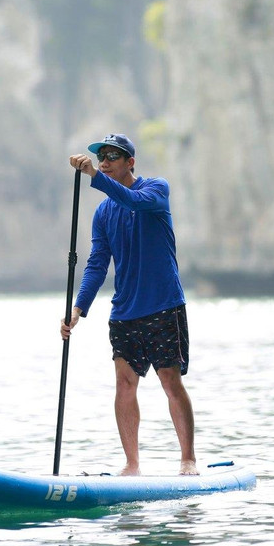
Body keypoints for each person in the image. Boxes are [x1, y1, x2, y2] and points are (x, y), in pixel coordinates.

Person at [62, 133, 198, 476]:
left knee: (170, 381)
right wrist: (78, 309)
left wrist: (94, 177)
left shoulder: (156, 190)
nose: (104, 162)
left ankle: (187, 460)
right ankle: (132, 465)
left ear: (130, 163)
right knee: (124, 383)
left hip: (164, 305)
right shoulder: (103, 214)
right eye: (101, 157)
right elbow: (96, 264)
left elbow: (133, 202)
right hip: (124, 312)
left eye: (112, 157)